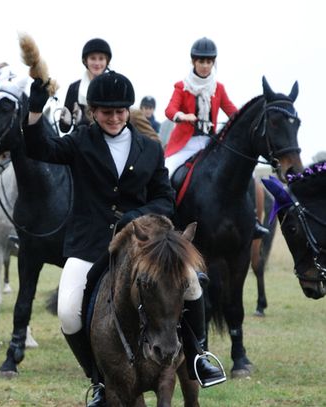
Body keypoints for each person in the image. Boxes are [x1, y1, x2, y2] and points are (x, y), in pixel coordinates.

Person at [25, 71, 226, 406]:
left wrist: (136, 218)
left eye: (120, 111)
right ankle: (100, 379)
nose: (115, 118)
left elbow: (165, 197)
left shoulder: (149, 148)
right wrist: (34, 111)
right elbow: (38, 148)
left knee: (191, 282)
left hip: (143, 242)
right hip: (90, 242)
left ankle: (197, 357)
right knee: (68, 311)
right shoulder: (79, 142)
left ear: (128, 111)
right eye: (106, 112)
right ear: (93, 112)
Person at [164, 37, 269, 238]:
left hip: (211, 143)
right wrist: (183, 116)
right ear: (193, 62)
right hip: (185, 144)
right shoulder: (181, 86)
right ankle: (167, 218)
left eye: (209, 62)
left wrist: (246, 123)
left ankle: (253, 221)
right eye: (201, 61)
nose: (205, 66)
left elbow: (232, 111)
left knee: (247, 176)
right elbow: (170, 109)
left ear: (213, 63)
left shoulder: (217, 88)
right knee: (167, 172)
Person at [58, 38, 111, 133]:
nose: (97, 63)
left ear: (107, 61)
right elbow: (64, 129)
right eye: (93, 58)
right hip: (79, 141)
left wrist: (82, 120)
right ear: (85, 61)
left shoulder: (114, 86)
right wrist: (66, 121)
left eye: (101, 58)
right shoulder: (74, 88)